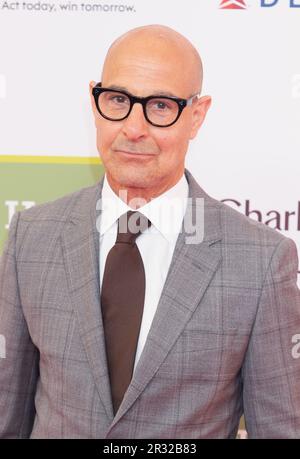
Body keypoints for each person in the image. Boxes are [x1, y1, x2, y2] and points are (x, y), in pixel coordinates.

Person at [0, 24, 300, 439]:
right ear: (95, 101)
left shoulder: (261, 260)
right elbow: (6, 414)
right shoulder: (31, 238)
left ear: (196, 115)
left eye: (160, 106)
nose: (133, 128)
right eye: (119, 100)